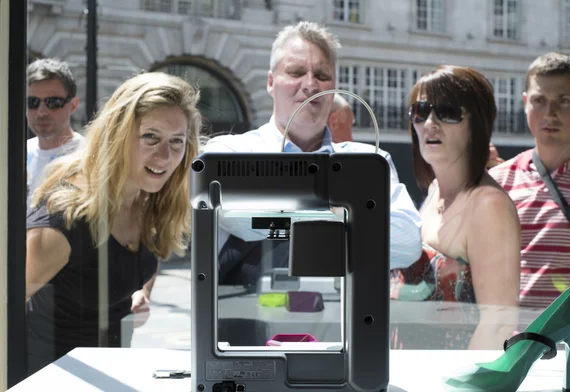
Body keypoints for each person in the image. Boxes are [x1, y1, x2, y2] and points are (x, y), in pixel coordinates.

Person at [204, 21, 422, 284]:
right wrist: (344, 216)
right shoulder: (229, 152)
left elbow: (408, 242)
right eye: (296, 72)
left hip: (342, 322)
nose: (310, 85)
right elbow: (240, 219)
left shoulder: (371, 161)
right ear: (271, 82)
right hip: (245, 320)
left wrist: (282, 221)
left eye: (322, 75)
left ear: (334, 85)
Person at [25, 72, 202, 374]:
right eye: (150, 137)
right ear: (117, 134)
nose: (165, 155)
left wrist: (140, 290)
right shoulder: (63, 220)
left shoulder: (151, 201)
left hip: (111, 371)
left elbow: (147, 255)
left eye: (177, 141)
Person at [390, 65, 521, 350]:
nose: (429, 123)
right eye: (420, 111)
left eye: (448, 111)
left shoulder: (489, 206)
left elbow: (498, 325)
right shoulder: (436, 191)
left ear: (477, 125)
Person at [489, 52, 570, 316]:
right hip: (514, 346)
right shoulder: (498, 181)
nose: (549, 114)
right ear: (525, 102)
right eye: (539, 101)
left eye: (563, 101)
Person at [26, 58, 84, 206]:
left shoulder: (88, 155)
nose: (41, 112)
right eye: (32, 102)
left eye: (53, 102)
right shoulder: (16, 154)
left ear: (73, 105)